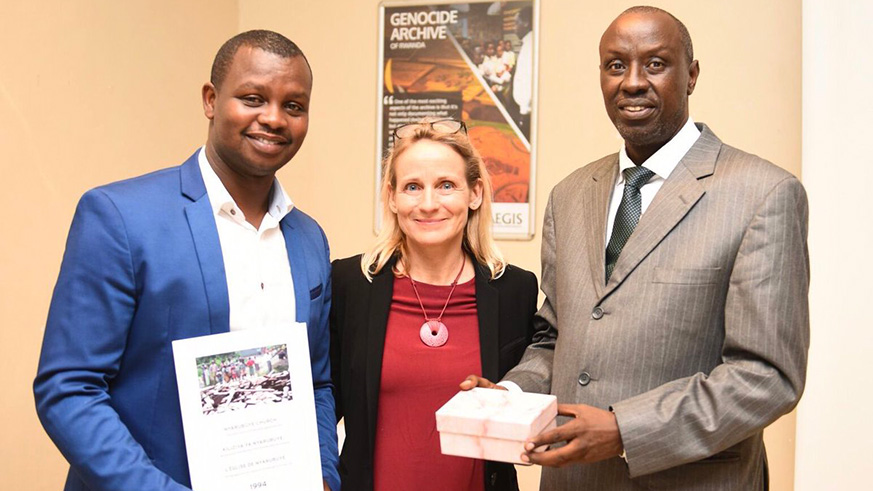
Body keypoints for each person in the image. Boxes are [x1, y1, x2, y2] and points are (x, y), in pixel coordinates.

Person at [463, 6, 809, 489]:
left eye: (655, 63)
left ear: (691, 76)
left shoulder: (762, 193)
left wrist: (626, 429)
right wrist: (509, 394)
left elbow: (766, 377)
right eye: (615, 65)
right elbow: (555, 338)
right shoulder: (570, 194)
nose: (632, 82)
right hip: (574, 480)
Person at [33, 30, 340, 491]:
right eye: (253, 98)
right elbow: (69, 389)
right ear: (211, 100)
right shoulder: (119, 216)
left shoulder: (309, 238)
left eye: (294, 106)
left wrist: (322, 475)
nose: (274, 119)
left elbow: (315, 384)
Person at [330, 119, 538, 491]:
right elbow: (323, 401)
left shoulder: (513, 290)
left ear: (474, 193)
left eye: (446, 185)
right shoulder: (351, 285)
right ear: (392, 197)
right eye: (412, 187)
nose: (428, 204)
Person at [511, 6, 533, 140]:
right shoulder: (527, 42)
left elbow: (527, 79)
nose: (514, 28)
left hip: (527, 113)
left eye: (516, 23)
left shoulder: (531, 44)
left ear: (525, 23)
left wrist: (524, 112)